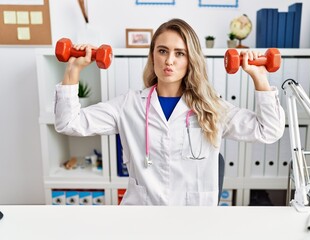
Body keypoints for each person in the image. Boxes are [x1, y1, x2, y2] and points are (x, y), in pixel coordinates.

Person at [55, 18, 285, 206]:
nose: (169, 60)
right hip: (141, 218)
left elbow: (269, 131)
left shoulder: (211, 107)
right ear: (153, 55)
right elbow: (68, 123)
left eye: (179, 53)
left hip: (193, 221)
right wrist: (73, 70)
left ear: (190, 60)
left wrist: (259, 77)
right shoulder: (128, 105)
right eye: (162, 51)